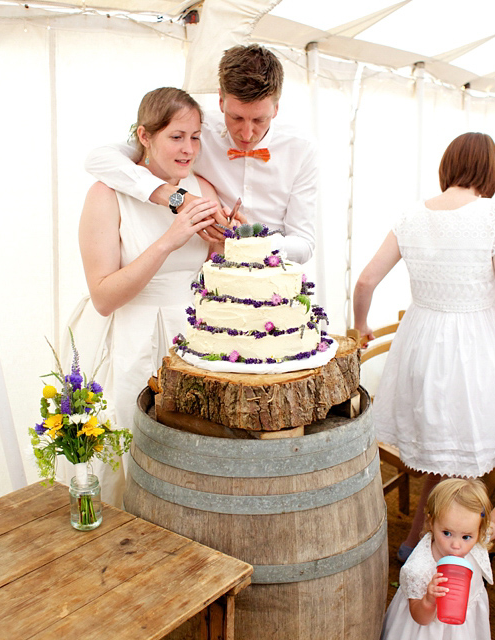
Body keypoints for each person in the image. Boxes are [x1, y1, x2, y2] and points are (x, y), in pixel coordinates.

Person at [353, 132, 495, 561]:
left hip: (418, 342)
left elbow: (366, 280)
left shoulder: (412, 215)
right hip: (468, 348)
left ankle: (416, 538)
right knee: (459, 456)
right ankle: (440, 552)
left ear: (448, 165)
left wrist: (361, 325)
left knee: (441, 454)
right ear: (491, 171)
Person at [67, 87, 223, 508]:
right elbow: (103, 297)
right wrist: (169, 241)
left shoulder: (201, 187)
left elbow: (213, 273)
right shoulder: (106, 193)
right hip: (129, 336)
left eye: (195, 136)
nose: (188, 148)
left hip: (190, 337)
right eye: (176, 136)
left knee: (189, 464)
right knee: (129, 455)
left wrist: (224, 243)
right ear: (145, 136)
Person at [84, 44, 317, 263]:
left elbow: (304, 244)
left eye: (259, 119)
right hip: (209, 276)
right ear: (220, 100)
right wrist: (173, 196)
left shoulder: (300, 149)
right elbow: (99, 159)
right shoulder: (196, 131)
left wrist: (255, 241)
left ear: (276, 108)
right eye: (236, 117)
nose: (247, 133)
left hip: (276, 282)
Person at [381, 478, 495, 640]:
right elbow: (420, 618)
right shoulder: (419, 568)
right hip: (426, 631)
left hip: (463, 625)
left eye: (466, 537)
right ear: (431, 522)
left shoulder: (474, 537)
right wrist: (429, 601)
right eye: (446, 533)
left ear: (478, 530)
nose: (456, 545)